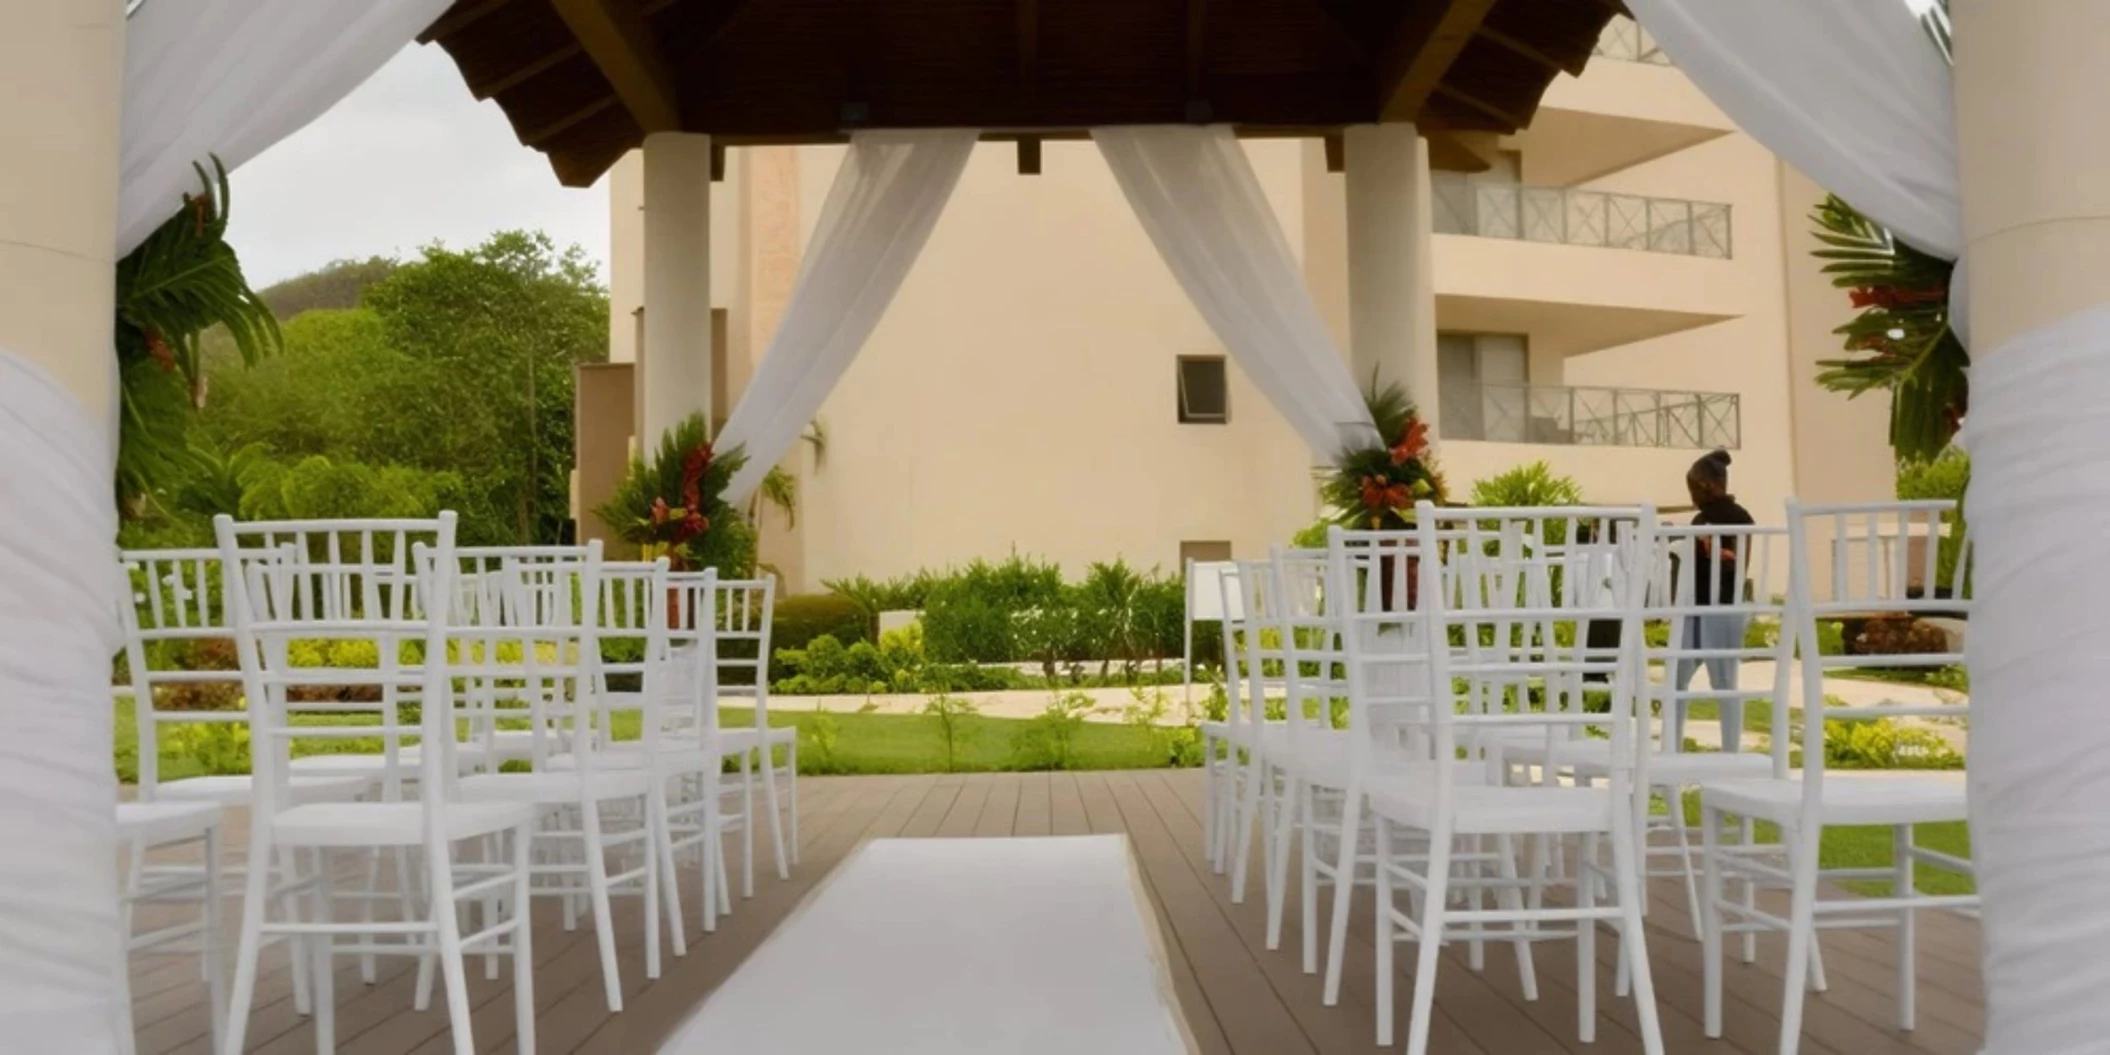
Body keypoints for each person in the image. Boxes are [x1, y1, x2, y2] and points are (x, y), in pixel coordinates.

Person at [1677, 449, 1755, 749]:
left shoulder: (1738, 518)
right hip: (1695, 605)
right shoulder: (1700, 521)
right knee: (1677, 677)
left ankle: (1731, 749)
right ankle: (1673, 744)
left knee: (1723, 682)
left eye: (1695, 488)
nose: (1692, 495)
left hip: (1722, 605)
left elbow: (1738, 561)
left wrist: (1717, 550)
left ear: (1710, 485)